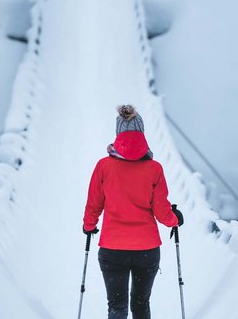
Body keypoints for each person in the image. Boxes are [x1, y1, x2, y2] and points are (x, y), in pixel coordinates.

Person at [82, 104, 184, 319]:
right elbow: (162, 211)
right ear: (143, 134)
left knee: (117, 307)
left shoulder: (103, 166)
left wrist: (89, 226)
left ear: (118, 133)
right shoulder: (154, 168)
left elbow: (93, 204)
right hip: (146, 250)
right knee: (140, 304)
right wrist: (175, 220)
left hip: (112, 249)